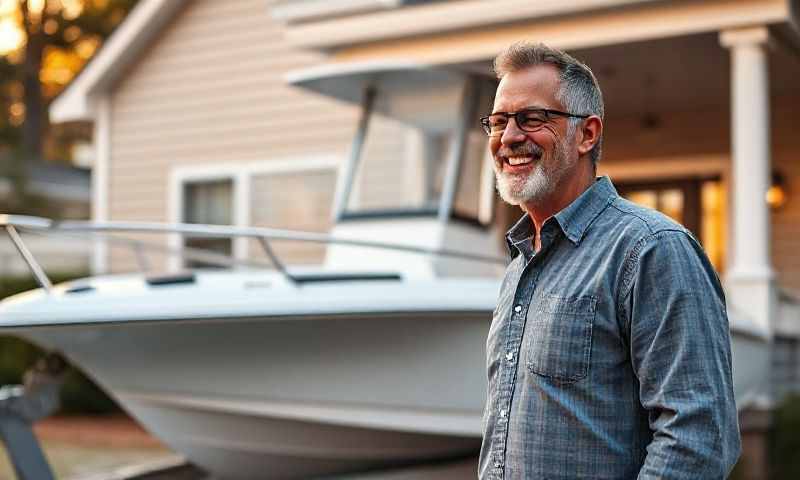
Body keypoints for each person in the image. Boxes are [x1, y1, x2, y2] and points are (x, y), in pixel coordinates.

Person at [478, 42, 740, 479]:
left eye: (532, 118)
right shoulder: (520, 264)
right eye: (499, 122)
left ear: (588, 134)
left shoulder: (652, 249)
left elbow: (698, 439)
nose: (508, 138)